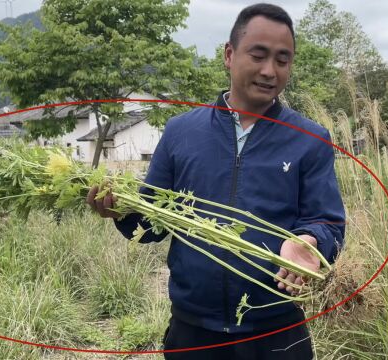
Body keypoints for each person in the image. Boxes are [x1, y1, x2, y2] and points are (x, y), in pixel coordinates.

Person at [87, 3, 345, 359]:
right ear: (229, 54)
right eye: (258, 55)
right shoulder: (181, 132)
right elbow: (151, 224)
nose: (270, 71)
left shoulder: (310, 139)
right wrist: (119, 210)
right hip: (193, 333)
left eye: (283, 60)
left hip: (277, 333)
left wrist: (310, 241)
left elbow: (329, 221)